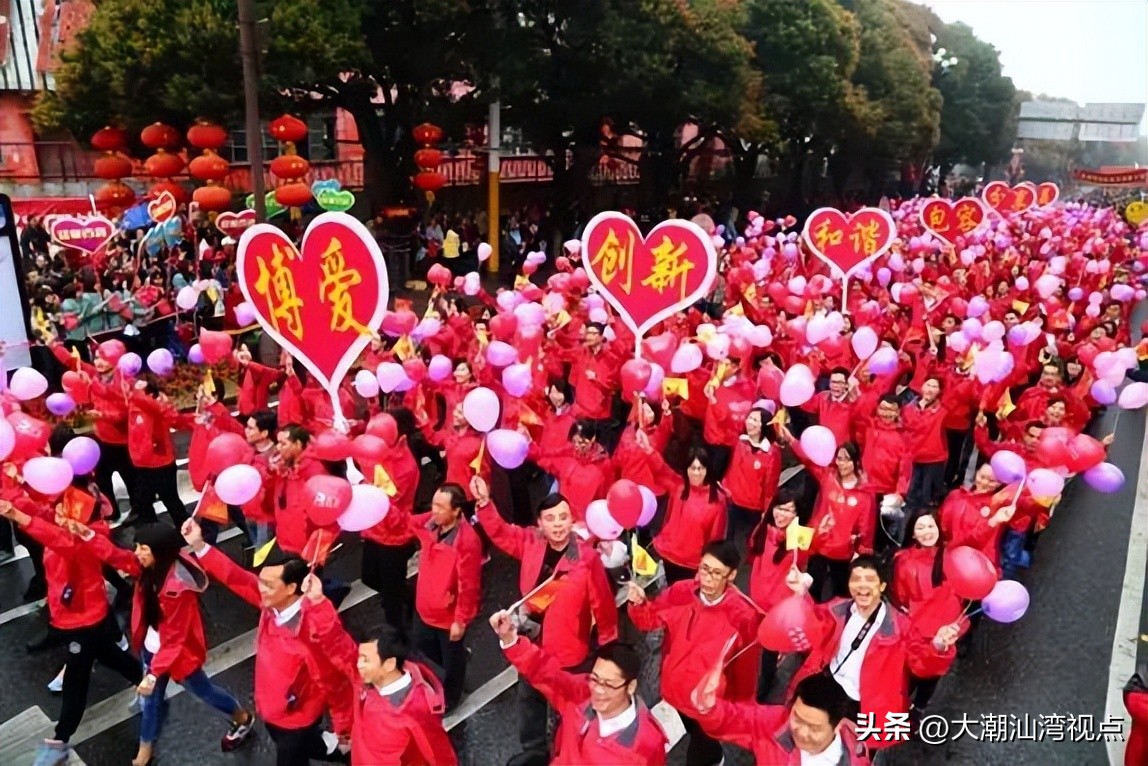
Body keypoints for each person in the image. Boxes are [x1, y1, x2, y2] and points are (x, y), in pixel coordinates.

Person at [181, 518, 356, 766]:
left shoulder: (313, 631)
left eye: (269, 585)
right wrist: (199, 545)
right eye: (261, 581)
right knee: (310, 746)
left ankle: (348, 749)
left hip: (296, 718)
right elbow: (236, 578)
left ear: (292, 588)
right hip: (274, 709)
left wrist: (344, 728)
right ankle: (341, 751)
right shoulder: (272, 602)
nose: (260, 588)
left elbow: (336, 683)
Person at [77, 522, 254, 765]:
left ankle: (242, 718)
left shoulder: (177, 589)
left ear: (159, 552)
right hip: (153, 652)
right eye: (137, 546)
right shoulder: (148, 568)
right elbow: (116, 556)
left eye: (143, 548)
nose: (137, 552)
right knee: (150, 702)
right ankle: (145, 749)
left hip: (178, 657)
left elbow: (174, 639)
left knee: (205, 692)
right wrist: (87, 535)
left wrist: (152, 675)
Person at [472, 478, 619, 765]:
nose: (558, 524)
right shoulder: (531, 542)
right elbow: (501, 533)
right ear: (539, 523)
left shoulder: (586, 559)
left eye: (563, 517)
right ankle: (535, 751)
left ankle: (571, 750)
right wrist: (484, 503)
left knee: (569, 704)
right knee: (529, 698)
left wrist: (609, 646)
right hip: (530, 638)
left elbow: (603, 604)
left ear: (572, 519)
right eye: (550, 519)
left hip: (568, 647)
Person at [0, 497, 142, 766]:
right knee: (111, 656)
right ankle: (145, 683)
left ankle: (60, 740)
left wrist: (18, 515)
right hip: (75, 618)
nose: (59, 512)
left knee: (76, 681)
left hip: (83, 622)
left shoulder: (83, 540)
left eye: (66, 508)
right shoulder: (66, 524)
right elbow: (43, 513)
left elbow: (55, 538)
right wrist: (16, 493)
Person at [785, 556, 959, 752]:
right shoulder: (837, 607)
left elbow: (920, 663)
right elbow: (814, 623)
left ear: (882, 586)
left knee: (855, 754)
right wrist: (802, 593)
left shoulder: (901, 627)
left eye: (869, 579)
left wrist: (938, 646)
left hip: (866, 703)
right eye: (856, 579)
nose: (862, 586)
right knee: (809, 742)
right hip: (830, 686)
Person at [626, 540, 760, 766]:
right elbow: (651, 620)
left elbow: (745, 670)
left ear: (732, 575)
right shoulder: (682, 592)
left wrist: (739, 708)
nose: (707, 579)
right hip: (674, 687)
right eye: (704, 569)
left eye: (717, 573)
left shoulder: (743, 616)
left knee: (701, 746)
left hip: (708, 702)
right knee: (690, 730)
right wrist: (639, 604)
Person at [490, 611, 668, 765]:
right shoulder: (582, 694)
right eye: (595, 679)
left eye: (608, 684)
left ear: (630, 687)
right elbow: (546, 672)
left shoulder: (646, 746)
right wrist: (510, 639)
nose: (598, 690)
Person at [407, 482, 483, 711]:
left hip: (447, 617)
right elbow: (407, 522)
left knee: (452, 661)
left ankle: (451, 696)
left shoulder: (467, 542)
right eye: (434, 505)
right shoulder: (431, 523)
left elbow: (469, 586)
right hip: (424, 609)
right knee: (427, 651)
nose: (434, 511)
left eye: (441, 507)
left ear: (457, 510)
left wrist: (460, 619)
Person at [693, 670, 873, 765]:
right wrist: (708, 706)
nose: (800, 732)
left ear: (837, 726)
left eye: (814, 728)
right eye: (797, 717)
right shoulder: (775, 724)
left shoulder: (857, 749)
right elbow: (732, 720)